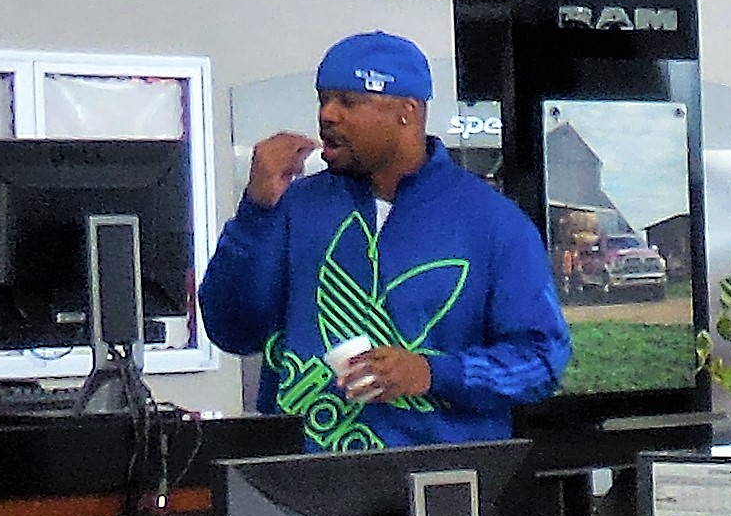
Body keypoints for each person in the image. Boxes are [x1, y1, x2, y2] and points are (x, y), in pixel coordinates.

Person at [199, 30, 567, 451]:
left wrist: (431, 373)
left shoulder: (493, 222)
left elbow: (541, 360)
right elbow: (231, 331)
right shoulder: (292, 207)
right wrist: (256, 210)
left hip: (437, 488)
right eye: (323, 99)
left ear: (407, 111)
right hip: (301, 484)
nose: (328, 115)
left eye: (348, 101)